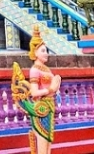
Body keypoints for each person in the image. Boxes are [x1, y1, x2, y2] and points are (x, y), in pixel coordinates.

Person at [13, 25, 62, 154]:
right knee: (42, 139)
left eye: (46, 51)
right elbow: (34, 93)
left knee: (48, 141)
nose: (46, 54)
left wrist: (56, 85)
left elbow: (53, 88)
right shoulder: (34, 70)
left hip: (49, 105)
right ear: (35, 52)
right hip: (41, 107)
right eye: (43, 51)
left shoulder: (46, 69)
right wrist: (50, 89)